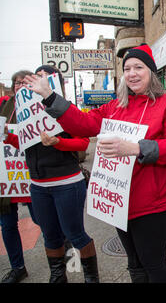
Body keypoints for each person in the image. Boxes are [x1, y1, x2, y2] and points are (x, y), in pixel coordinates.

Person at [23, 44, 166, 283]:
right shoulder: (114, 106)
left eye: (138, 67)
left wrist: (136, 148)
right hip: (118, 200)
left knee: (153, 263)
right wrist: (50, 97)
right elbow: (83, 124)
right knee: (134, 264)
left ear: (151, 72)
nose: (132, 73)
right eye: (127, 68)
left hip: (153, 202)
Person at [3, 65, 99, 283]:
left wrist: (59, 142)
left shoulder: (64, 108)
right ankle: (57, 276)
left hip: (67, 183)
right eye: (37, 78)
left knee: (75, 234)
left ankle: (92, 278)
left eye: (45, 78)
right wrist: (8, 137)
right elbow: (25, 144)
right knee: (51, 236)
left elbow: (83, 141)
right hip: (38, 186)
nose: (39, 82)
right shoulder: (26, 112)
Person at [0, 70, 37, 283]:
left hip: (30, 176)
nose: (19, 85)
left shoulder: (37, 107)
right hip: (7, 178)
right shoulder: (5, 107)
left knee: (40, 218)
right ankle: (17, 267)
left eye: (24, 82)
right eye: (16, 82)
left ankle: (62, 248)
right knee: (7, 224)